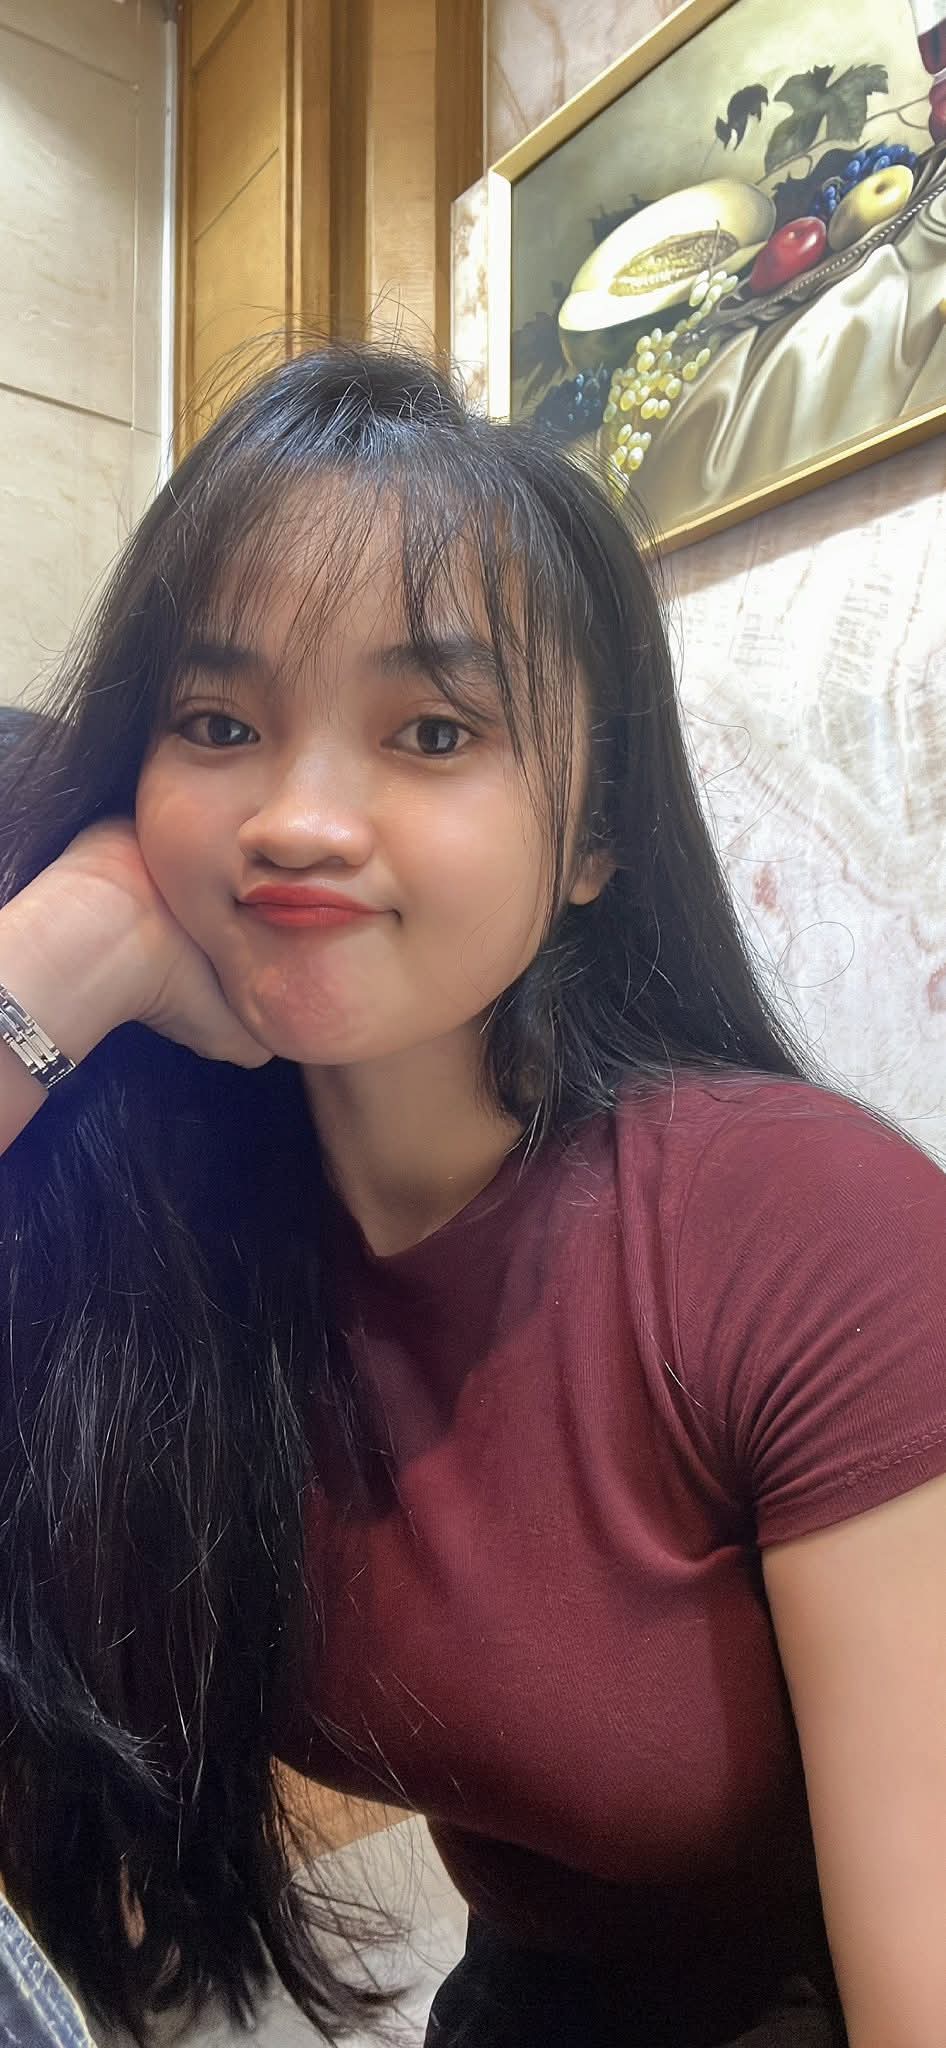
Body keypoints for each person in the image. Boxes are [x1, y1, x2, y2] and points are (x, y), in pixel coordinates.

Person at [0, 345, 943, 2048]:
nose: (297, 820)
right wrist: (56, 960)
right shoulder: (167, 1224)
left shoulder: (806, 1231)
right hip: (528, 1995)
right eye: (218, 726)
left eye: (431, 731)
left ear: (592, 839)